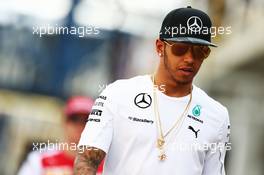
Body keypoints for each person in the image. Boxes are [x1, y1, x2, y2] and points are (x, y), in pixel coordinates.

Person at [74, 6, 231, 175]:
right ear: (159, 47)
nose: (190, 58)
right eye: (180, 48)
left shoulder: (217, 115)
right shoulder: (117, 94)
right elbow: (86, 161)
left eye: (200, 52)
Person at [18, 96, 104, 175]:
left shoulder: (108, 165)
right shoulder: (40, 159)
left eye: (86, 120)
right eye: (74, 119)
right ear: (64, 121)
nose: (79, 126)